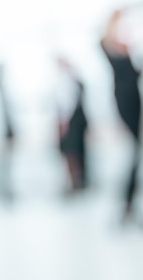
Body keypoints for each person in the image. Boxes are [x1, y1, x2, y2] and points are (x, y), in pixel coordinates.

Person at [100, 10, 143, 225]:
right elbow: (104, 38)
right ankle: (126, 205)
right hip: (126, 106)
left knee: (137, 157)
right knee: (130, 156)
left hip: (137, 107)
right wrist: (115, 17)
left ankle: (131, 204)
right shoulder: (110, 52)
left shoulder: (129, 56)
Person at [56, 57, 89, 193]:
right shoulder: (72, 80)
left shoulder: (67, 81)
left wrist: (63, 122)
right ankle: (76, 181)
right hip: (75, 121)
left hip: (72, 122)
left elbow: (67, 103)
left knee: (72, 153)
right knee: (73, 153)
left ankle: (75, 182)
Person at [0, 62, 16, 202]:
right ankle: (2, 188)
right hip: (2, 134)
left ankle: (5, 188)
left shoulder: (3, 91)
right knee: (2, 163)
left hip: (6, 133)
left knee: (6, 163)